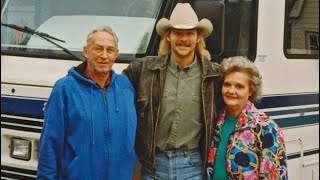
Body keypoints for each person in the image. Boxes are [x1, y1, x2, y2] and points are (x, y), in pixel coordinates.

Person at [123, 3, 222, 179]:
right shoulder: (142, 70)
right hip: (153, 167)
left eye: (190, 33)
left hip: (193, 167)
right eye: (178, 33)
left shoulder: (214, 76)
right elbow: (111, 88)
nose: (183, 39)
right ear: (168, 36)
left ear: (198, 37)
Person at [37, 26, 137, 179]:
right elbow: (49, 145)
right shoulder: (65, 89)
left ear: (116, 54)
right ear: (86, 51)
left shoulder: (126, 87)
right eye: (98, 49)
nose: (104, 56)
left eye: (110, 50)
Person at [206, 56, 288, 180]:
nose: (231, 91)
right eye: (227, 84)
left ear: (251, 90)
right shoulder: (216, 121)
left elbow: (275, 176)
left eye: (239, 86)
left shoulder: (267, 128)